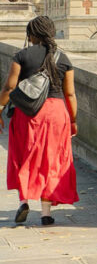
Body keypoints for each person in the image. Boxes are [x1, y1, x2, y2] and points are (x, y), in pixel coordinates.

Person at [0, 15, 79, 225]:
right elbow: (70, 94)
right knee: (52, 160)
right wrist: (72, 120)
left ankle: (24, 201)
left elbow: (9, 87)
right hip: (56, 113)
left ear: (32, 34)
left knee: (22, 156)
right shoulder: (63, 59)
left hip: (28, 113)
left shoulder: (22, 56)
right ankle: (45, 213)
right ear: (51, 33)